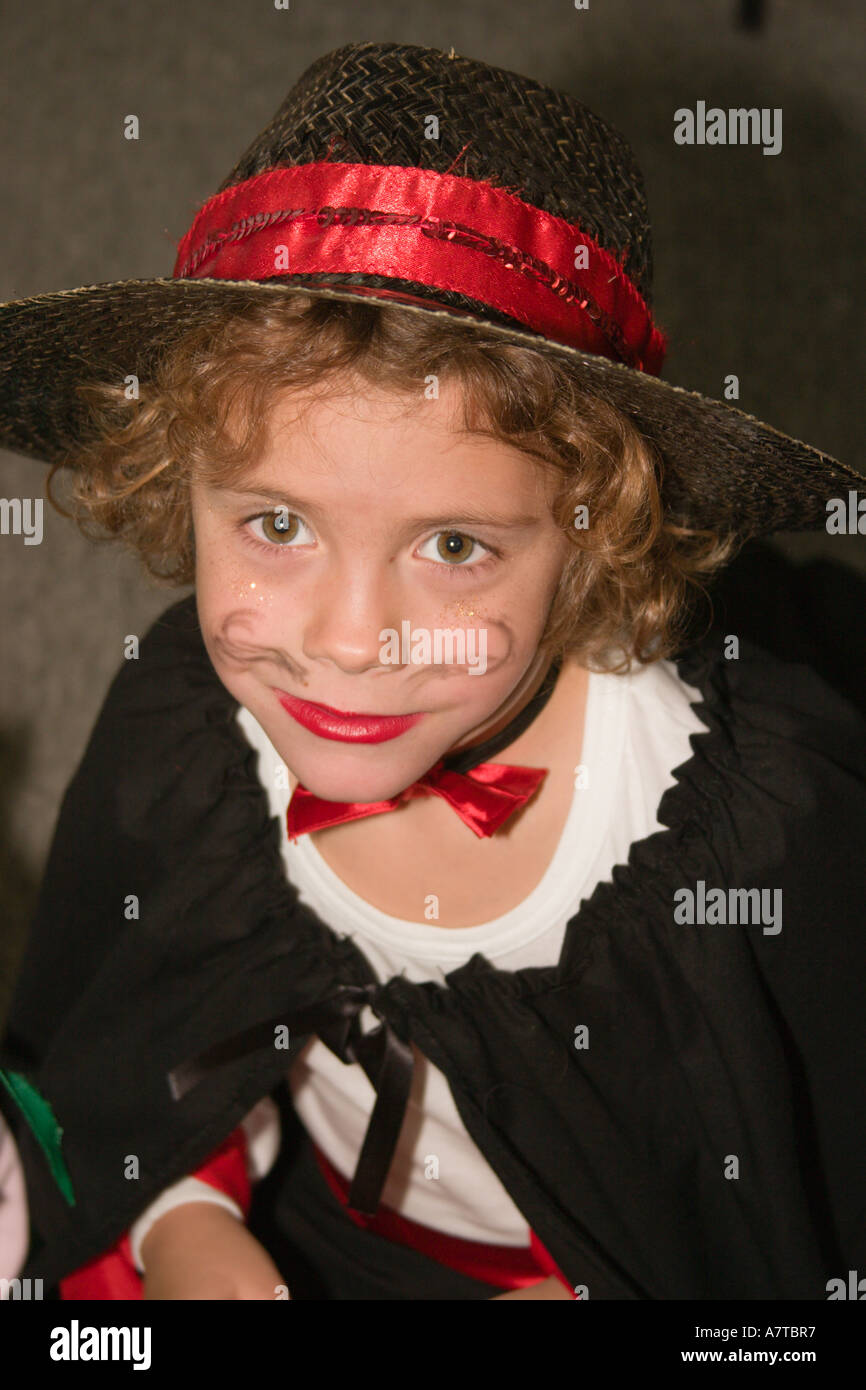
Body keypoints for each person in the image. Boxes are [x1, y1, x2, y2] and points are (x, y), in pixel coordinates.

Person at [1, 40, 865, 1302]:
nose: (349, 641)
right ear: (172, 483)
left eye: (454, 546)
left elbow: (768, 1188)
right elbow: (151, 1036)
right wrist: (188, 1217)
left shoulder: (743, 841)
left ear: (591, 540)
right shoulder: (190, 724)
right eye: (276, 524)